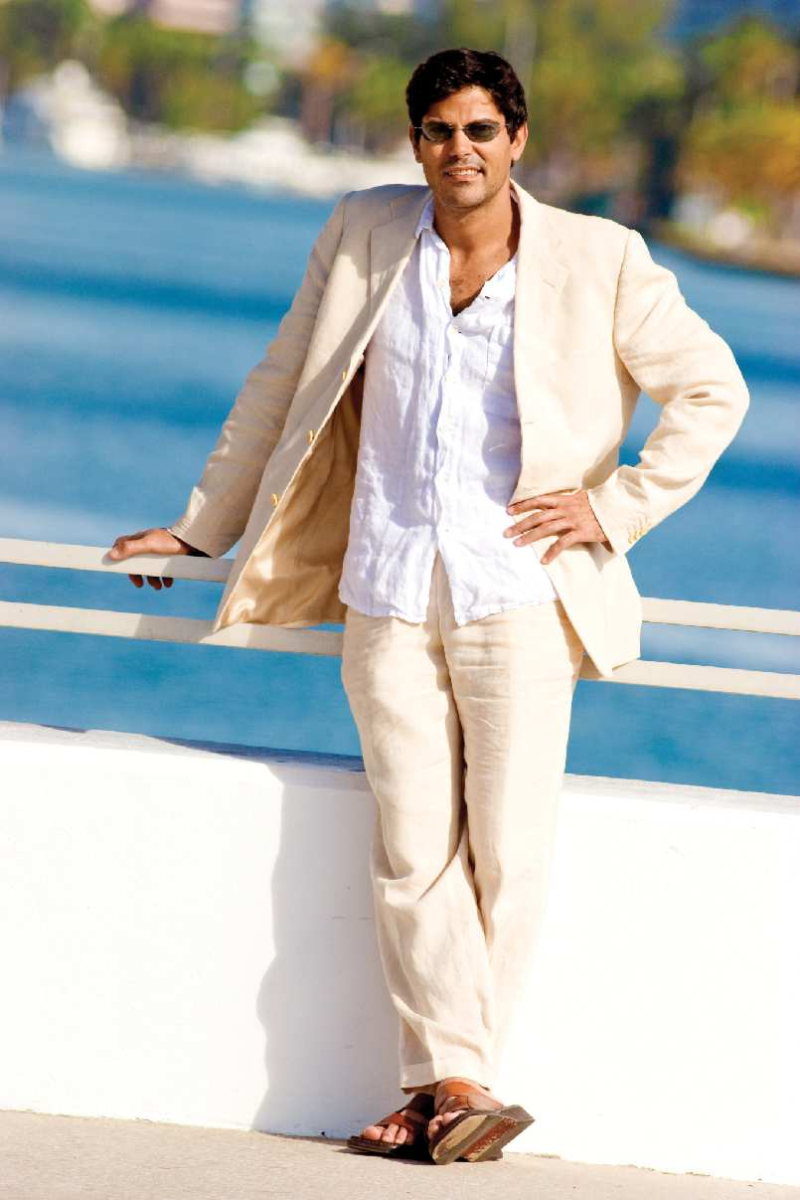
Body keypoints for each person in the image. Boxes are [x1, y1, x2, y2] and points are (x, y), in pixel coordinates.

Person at [108, 48, 749, 1165]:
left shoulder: (598, 255)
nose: (461, 150)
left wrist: (616, 507)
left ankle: (438, 1090)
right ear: (413, 143)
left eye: (480, 130)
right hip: (389, 585)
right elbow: (280, 384)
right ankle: (460, 1087)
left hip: (522, 593)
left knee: (506, 851)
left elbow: (711, 389)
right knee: (411, 849)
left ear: (517, 139)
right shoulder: (364, 231)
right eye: (439, 131)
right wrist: (203, 524)